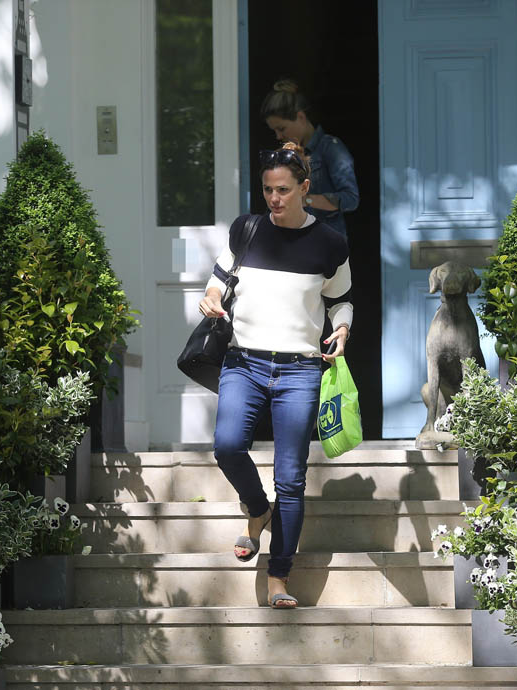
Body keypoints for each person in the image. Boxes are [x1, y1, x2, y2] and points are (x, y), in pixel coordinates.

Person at [198, 141, 353, 608]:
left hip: (300, 370)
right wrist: (210, 298)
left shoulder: (330, 243)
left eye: (283, 190)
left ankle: (278, 578)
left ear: (304, 188)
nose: (274, 198)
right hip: (243, 362)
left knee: (291, 478)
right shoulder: (246, 230)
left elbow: (340, 299)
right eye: (268, 190)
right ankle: (257, 508)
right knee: (227, 446)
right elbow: (218, 281)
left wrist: (342, 328)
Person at [260, 79, 359, 237]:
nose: (278, 136)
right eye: (274, 131)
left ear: (301, 117)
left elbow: (351, 199)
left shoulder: (331, 148)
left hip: (325, 244)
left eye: (282, 128)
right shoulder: (285, 153)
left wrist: (306, 200)